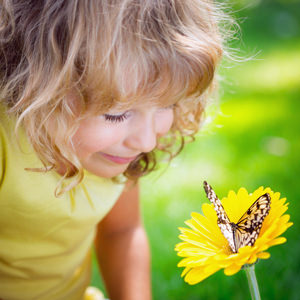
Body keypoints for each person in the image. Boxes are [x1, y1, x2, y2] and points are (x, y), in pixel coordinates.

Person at [0, 0, 230, 299]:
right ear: (39, 83)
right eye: (116, 114)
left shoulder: (113, 154)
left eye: (168, 104)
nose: (147, 142)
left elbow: (121, 231)